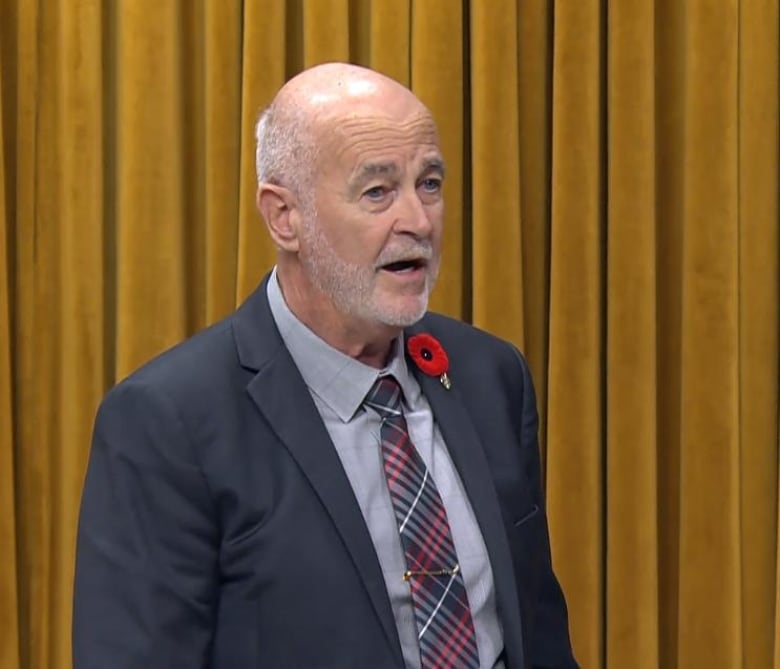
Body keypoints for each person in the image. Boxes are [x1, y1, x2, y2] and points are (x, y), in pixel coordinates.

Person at [73, 62, 578, 669]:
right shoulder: (167, 423)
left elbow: (539, 635)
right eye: (377, 192)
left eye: (431, 184)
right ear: (285, 217)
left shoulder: (490, 376)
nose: (418, 221)